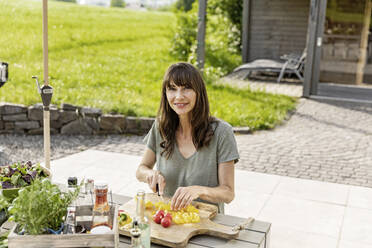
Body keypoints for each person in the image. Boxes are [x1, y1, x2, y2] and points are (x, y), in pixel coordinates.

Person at [136, 62, 239, 213]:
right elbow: (140, 170)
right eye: (172, 89)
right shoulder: (160, 127)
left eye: (186, 88)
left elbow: (228, 193)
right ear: (165, 93)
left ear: (199, 92)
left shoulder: (222, 132)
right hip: (167, 218)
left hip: (206, 221)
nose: (179, 96)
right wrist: (150, 174)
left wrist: (198, 191)